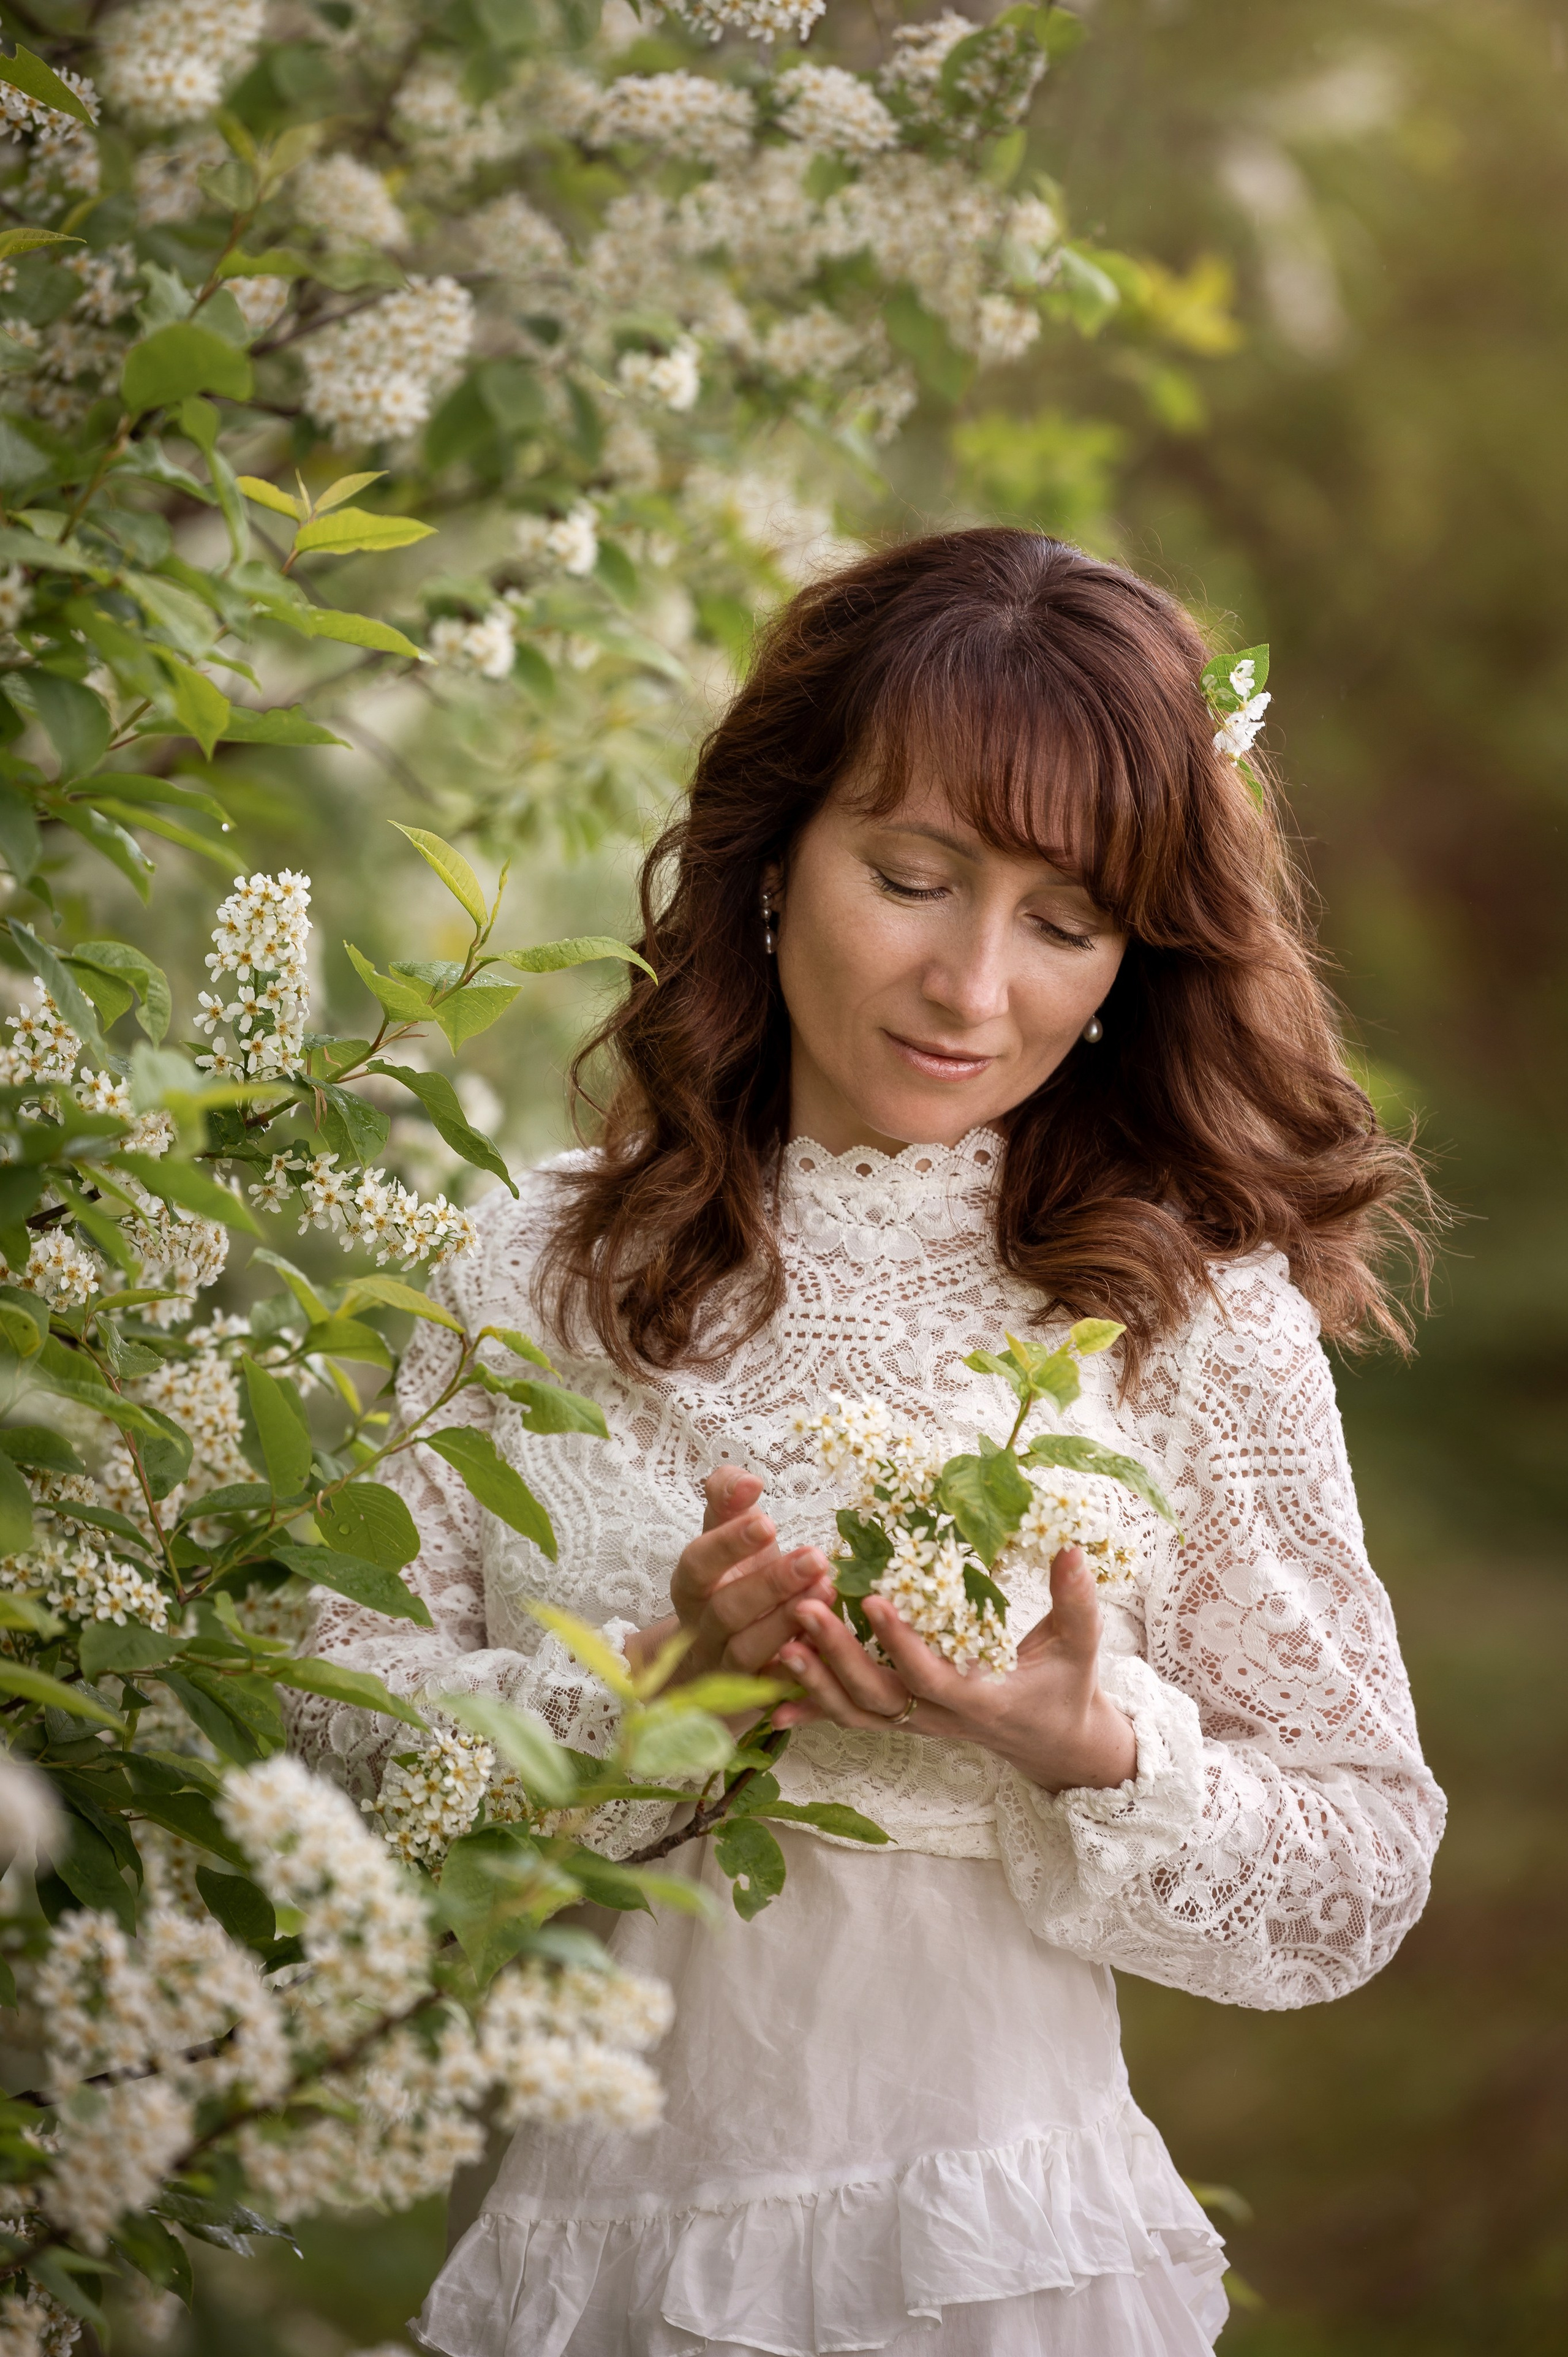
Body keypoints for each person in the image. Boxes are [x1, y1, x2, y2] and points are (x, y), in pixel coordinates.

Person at [292, 530, 1446, 2357]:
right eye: (913, 880)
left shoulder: (1190, 1320)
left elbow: (1358, 1868)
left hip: (999, 2270)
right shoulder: (533, 1268)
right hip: (582, 2267)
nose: (973, 988)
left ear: (1130, 961)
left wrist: (1094, 1746)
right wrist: (644, 1698)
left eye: (1063, 925)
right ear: (772, 860)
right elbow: (305, 1713)